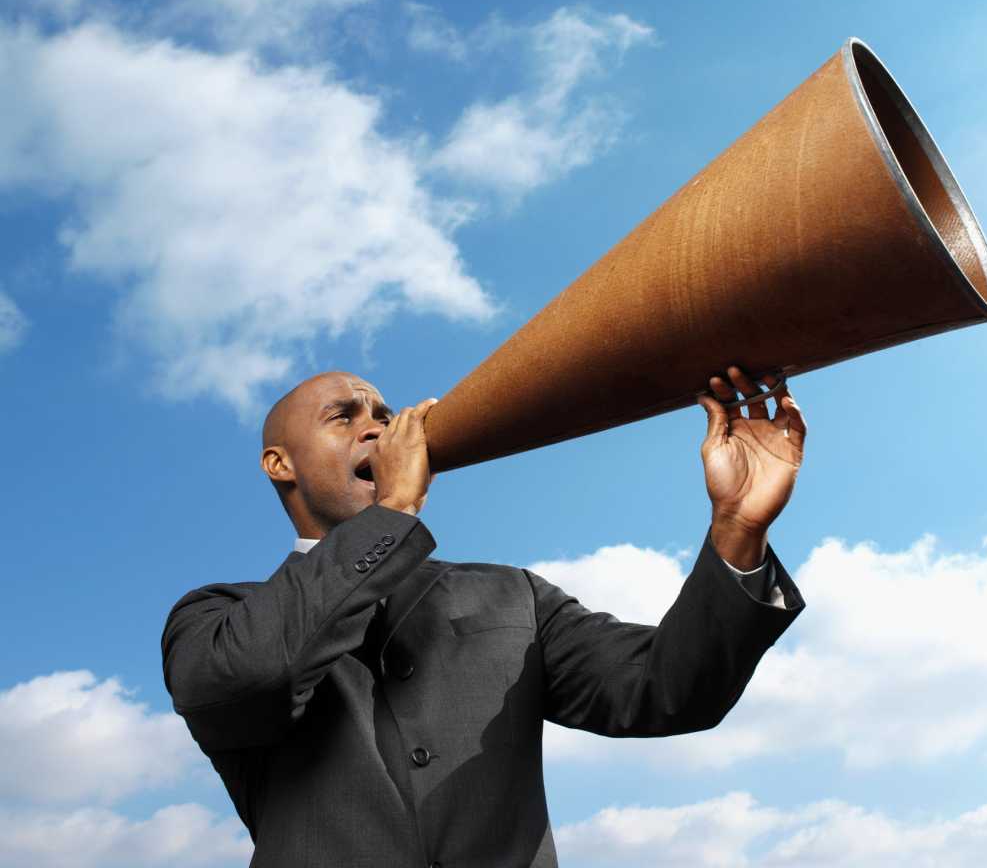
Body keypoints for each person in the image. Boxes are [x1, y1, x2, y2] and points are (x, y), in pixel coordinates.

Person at [162, 365, 807, 868]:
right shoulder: (219, 617)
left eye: (384, 416)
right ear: (280, 464)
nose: (378, 429)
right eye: (344, 416)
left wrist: (737, 529)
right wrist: (393, 512)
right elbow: (253, 677)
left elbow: (667, 690)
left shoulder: (511, 594)